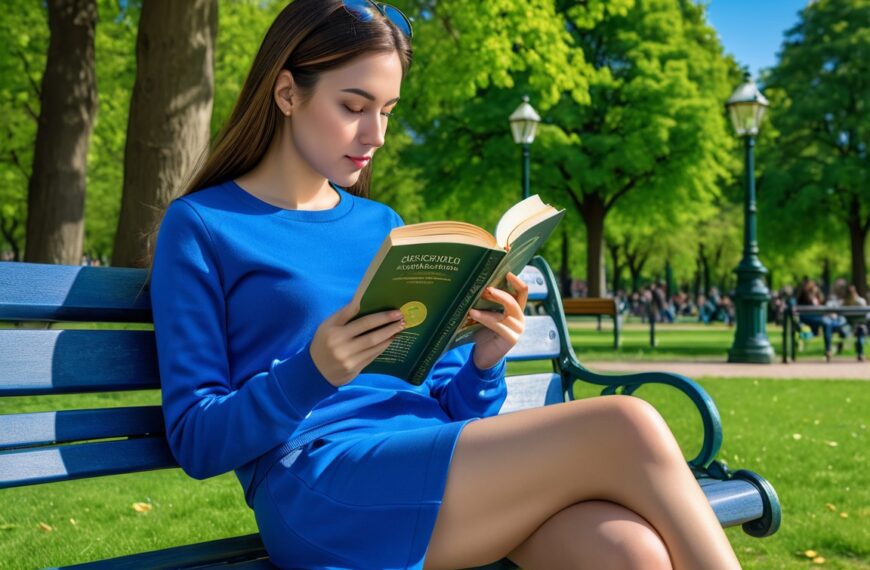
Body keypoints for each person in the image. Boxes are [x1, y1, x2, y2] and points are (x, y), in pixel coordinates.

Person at [144, 1, 742, 568]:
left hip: (433, 462)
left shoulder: (385, 226)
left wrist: (484, 362)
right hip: (318, 483)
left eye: (387, 110)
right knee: (625, 424)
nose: (375, 134)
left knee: (627, 553)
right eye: (354, 107)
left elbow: (451, 405)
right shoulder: (203, 226)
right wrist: (312, 371)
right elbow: (196, 441)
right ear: (286, 93)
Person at [843, 285, 867, 362]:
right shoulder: (844, 302)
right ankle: (859, 353)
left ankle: (860, 354)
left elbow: (864, 315)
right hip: (848, 325)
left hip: (860, 324)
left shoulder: (860, 301)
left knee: (860, 333)